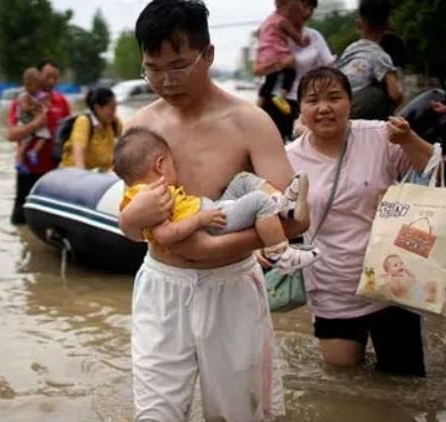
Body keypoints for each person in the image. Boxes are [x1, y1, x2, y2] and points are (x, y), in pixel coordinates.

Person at [121, 0, 308, 419]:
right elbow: (131, 227)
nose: (166, 80)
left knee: (235, 412)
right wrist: (133, 220)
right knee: (154, 413)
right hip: (161, 287)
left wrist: (213, 251)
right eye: (153, 68)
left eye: (179, 65)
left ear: (209, 55)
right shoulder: (138, 129)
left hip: (231, 286)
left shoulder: (248, 122)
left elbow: (296, 216)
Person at [284, 66, 433, 376]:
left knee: (404, 382)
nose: (324, 108)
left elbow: (432, 169)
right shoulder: (288, 158)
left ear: (350, 103)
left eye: (334, 97)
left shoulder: (380, 136)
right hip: (330, 285)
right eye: (312, 100)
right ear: (301, 109)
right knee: (343, 380)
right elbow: (276, 216)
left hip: (391, 280)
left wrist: (408, 139)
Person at [114, 126, 318, 271]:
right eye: (173, 163)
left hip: (210, 209)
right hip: (210, 222)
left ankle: (283, 205)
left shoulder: (140, 194)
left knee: (243, 180)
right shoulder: (153, 195)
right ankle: (279, 252)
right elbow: (165, 236)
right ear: (160, 165)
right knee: (258, 201)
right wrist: (200, 220)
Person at [254, 0, 336, 141]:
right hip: (275, 101)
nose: (307, 12)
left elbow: (330, 69)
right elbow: (257, 70)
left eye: (311, 8)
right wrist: (281, 64)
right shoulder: (273, 33)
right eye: (303, 6)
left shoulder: (314, 37)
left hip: (304, 102)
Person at [6, 59, 71, 225]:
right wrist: (35, 125)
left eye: (55, 77)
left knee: (50, 220)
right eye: (48, 76)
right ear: (38, 76)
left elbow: (69, 134)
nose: (51, 81)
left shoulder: (62, 102)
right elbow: (11, 135)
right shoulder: (22, 101)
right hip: (28, 169)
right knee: (21, 219)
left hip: (54, 170)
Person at [336, 0, 403, 120]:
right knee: (379, 93)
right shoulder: (380, 56)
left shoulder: (350, 49)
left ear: (358, 23)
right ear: (389, 24)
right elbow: (395, 94)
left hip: (337, 105)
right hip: (354, 111)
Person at [255, 0, 309, 115]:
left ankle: (259, 104)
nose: (290, 14)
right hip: (278, 52)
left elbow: (257, 32)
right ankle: (281, 96)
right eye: (290, 11)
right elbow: (296, 38)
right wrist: (304, 42)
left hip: (265, 53)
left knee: (270, 79)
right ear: (284, 7)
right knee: (290, 70)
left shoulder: (267, 20)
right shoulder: (283, 21)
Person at [59, 87, 121, 171]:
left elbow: (125, 140)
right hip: (75, 174)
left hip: (101, 173)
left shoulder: (113, 122)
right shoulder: (83, 122)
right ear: (98, 108)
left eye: (115, 107)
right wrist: (82, 176)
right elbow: (78, 153)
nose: (114, 112)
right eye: (111, 108)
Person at [14, 67, 51, 173]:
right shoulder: (24, 96)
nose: (38, 88)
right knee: (24, 143)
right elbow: (25, 108)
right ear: (29, 84)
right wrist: (35, 107)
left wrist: (41, 104)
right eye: (37, 85)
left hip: (31, 122)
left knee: (43, 136)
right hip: (25, 123)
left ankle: (32, 152)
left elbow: (46, 106)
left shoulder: (36, 95)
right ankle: (19, 162)